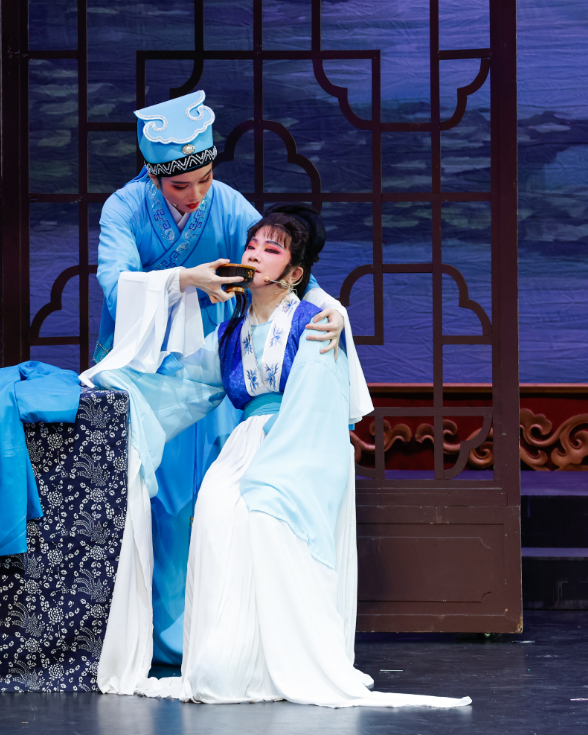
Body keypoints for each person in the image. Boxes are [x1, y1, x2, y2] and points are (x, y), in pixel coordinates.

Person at [85, 205, 471, 708]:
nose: (254, 255)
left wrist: (274, 465)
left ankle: (280, 664)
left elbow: (317, 407)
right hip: (245, 446)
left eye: (271, 250)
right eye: (251, 246)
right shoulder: (230, 331)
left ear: (294, 274)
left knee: (262, 521)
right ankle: (226, 664)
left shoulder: (316, 323)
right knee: (214, 516)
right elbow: (181, 383)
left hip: (298, 447)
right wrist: (111, 383)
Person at [95, 90, 357, 666]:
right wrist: (184, 278)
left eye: (205, 179)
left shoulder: (228, 203)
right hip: (148, 364)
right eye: (179, 185)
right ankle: (155, 640)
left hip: (211, 365)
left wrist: (331, 308)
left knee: (208, 500)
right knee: (158, 504)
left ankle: (212, 641)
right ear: (153, 175)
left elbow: (289, 263)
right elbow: (116, 289)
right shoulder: (123, 208)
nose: (196, 195)